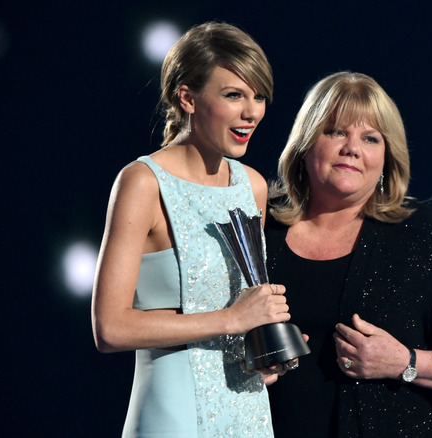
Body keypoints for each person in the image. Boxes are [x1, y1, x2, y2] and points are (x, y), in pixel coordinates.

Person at [265, 71, 432, 437]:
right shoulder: (258, 228)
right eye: (335, 131)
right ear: (305, 142)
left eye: (370, 138)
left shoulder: (422, 234)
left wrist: (404, 362)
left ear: (386, 157)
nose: (352, 147)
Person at [91, 21, 289, 437]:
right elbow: (110, 327)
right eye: (233, 95)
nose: (251, 112)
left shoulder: (251, 186)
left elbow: (243, 313)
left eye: (259, 96)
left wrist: (261, 348)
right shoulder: (143, 182)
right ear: (188, 97)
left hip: (247, 410)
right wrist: (232, 319)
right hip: (173, 411)